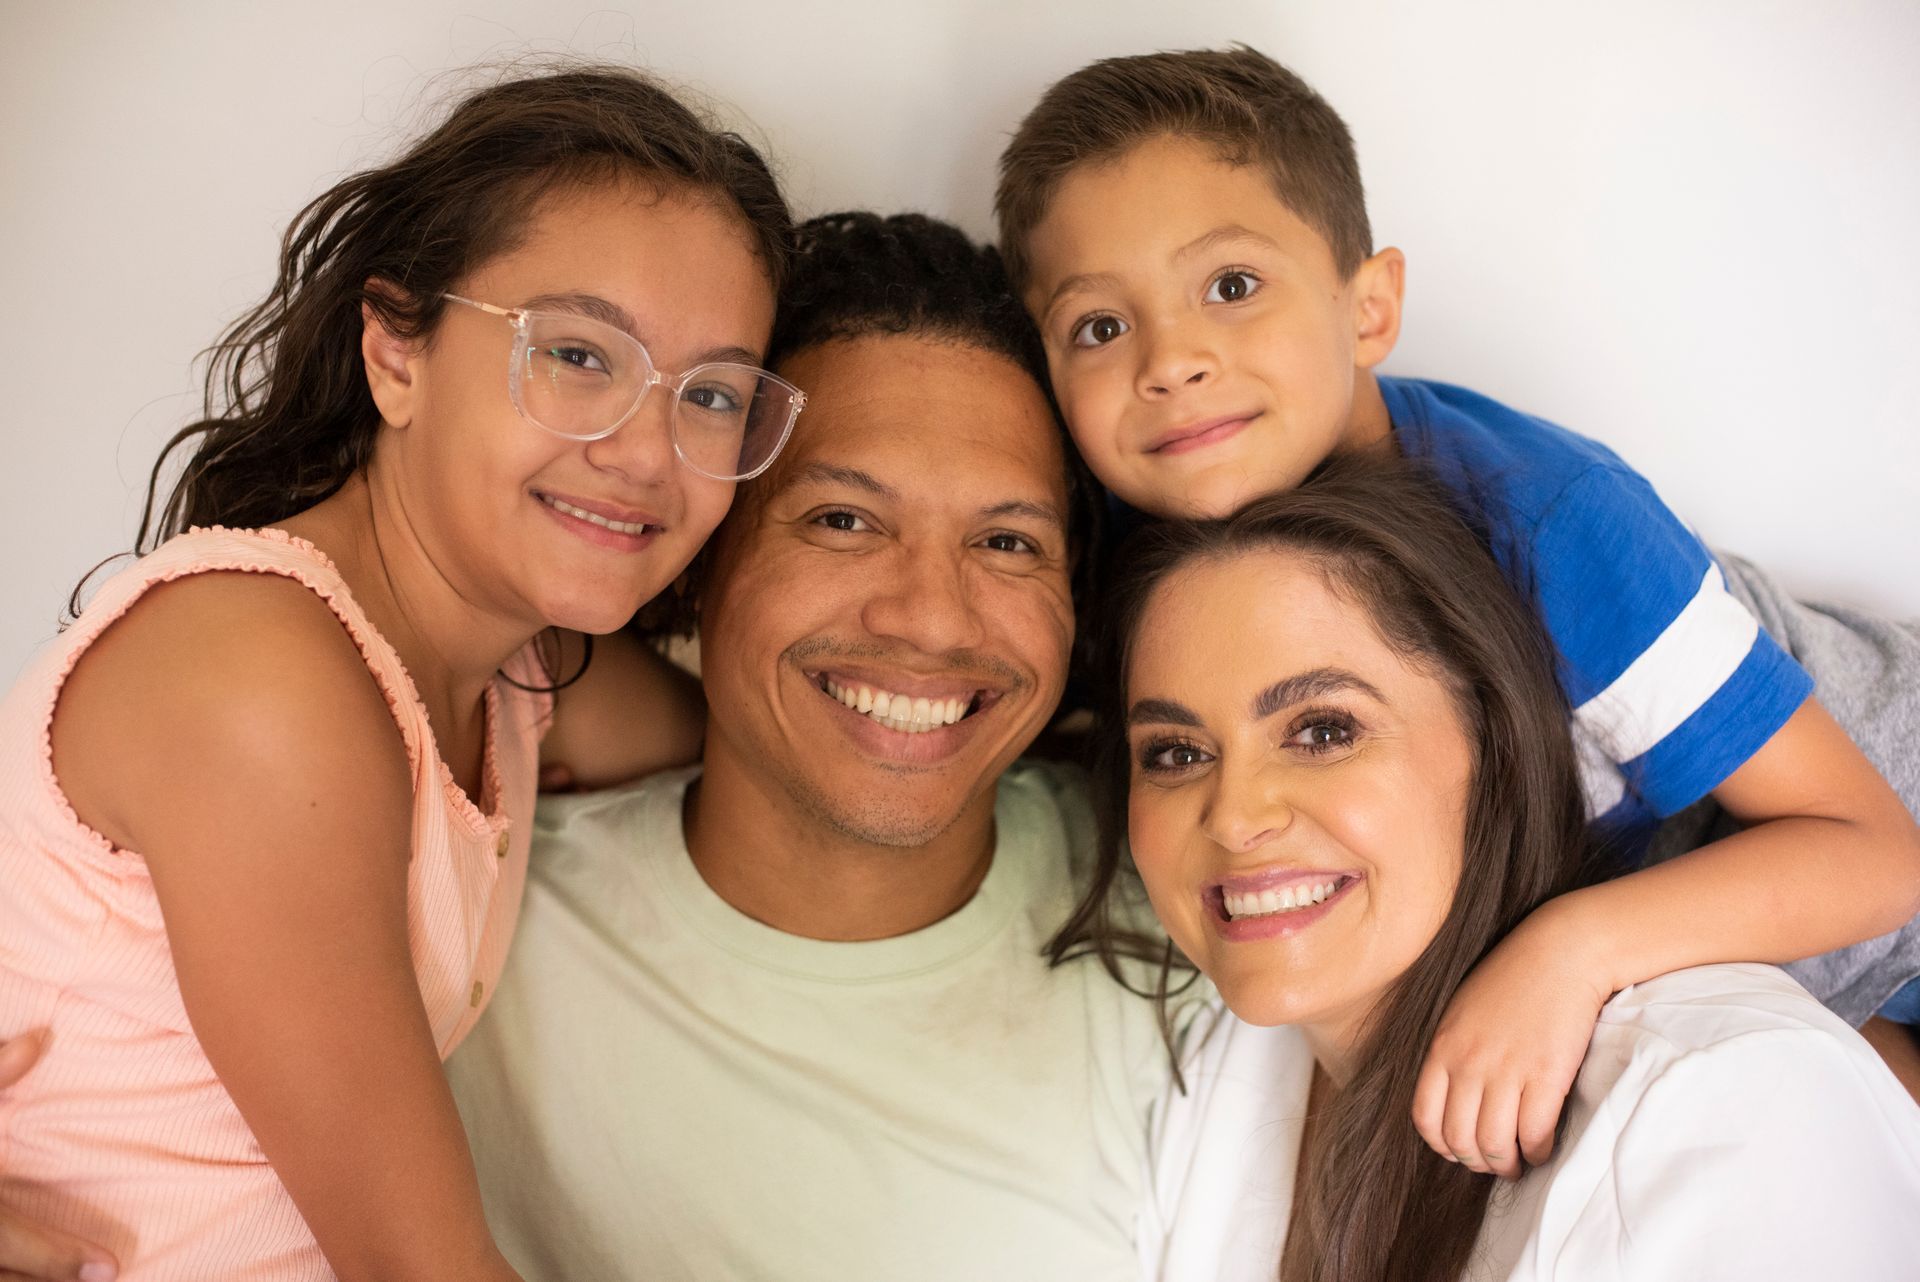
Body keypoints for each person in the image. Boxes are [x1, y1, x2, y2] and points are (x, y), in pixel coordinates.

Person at [994, 45, 1920, 1164]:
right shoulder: (1134, 524)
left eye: (1230, 287)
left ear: (1369, 307)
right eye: (1100, 326)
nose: (1171, 360)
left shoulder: (1551, 519)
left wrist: (1569, 952)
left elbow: (1874, 854)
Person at [0, 66, 799, 1281]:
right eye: (578, 354)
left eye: (712, 395)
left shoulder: (519, 679)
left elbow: (760, 730)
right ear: (396, 355)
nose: (646, 451)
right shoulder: (260, 678)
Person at [440, 210, 1179, 1281]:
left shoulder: (1194, 935)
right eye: (841, 520)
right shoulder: (468, 927)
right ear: (697, 556)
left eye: (1008, 541)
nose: (931, 618)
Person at [1092, 457, 1920, 1281]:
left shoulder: (1721, 1109)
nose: (1235, 818)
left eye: (1324, 731)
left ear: (1497, 748)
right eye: (1176, 751)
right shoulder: (1207, 1073)